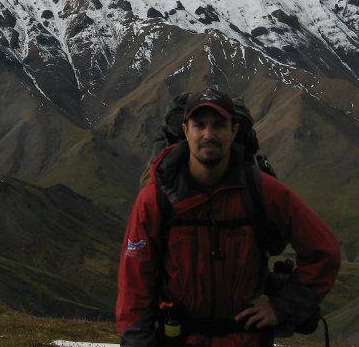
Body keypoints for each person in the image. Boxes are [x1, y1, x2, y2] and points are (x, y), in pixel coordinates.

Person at [116, 88, 341, 346]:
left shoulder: (263, 191)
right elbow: (135, 284)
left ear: (234, 131)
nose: (208, 134)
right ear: (185, 130)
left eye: (219, 125)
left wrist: (283, 305)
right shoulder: (156, 198)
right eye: (200, 125)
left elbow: (325, 251)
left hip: (246, 339)